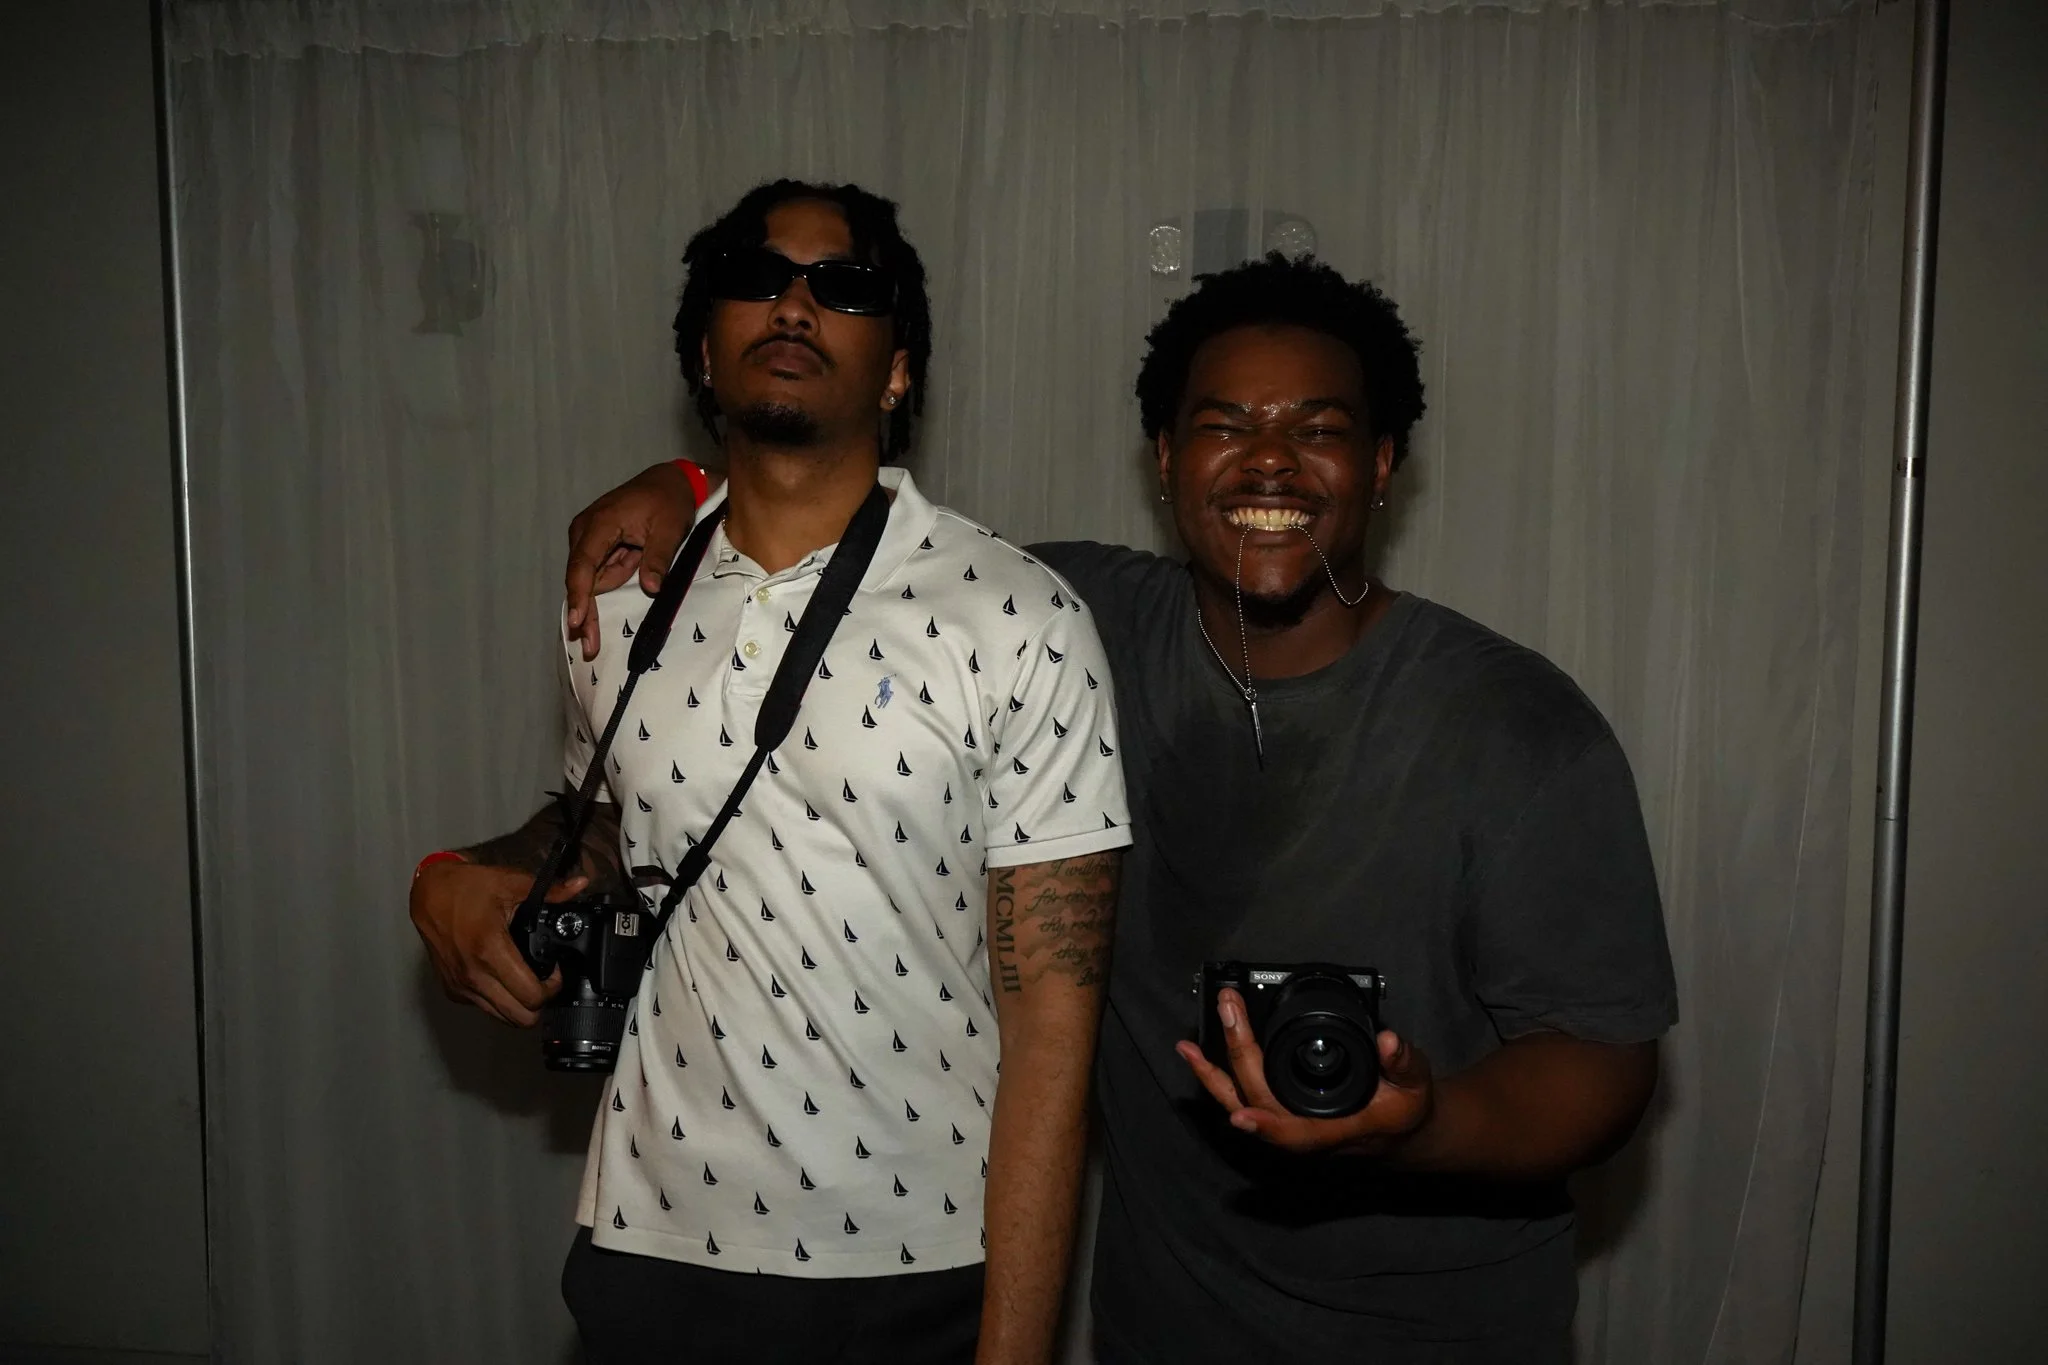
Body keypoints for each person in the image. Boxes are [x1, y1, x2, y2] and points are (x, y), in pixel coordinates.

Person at [560, 252, 1679, 1362]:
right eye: (1226, 424)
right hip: (1157, 1330)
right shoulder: (1066, 628)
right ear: (1165, 458)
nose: (1270, 460)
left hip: (1439, 1335)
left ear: (1382, 464)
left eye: (1320, 429)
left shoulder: (1515, 727)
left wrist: (1421, 1127)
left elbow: (1606, 1065)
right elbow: (850, 545)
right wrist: (689, 485)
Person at [410, 180, 1132, 1365]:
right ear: (705, 350)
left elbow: (1055, 1032)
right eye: (755, 278)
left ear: (897, 370)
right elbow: (611, 828)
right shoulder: (618, 597)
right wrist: (450, 875)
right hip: (647, 1244)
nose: (793, 303)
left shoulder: (1016, 618)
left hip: (917, 1264)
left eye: (842, 286)